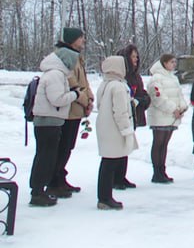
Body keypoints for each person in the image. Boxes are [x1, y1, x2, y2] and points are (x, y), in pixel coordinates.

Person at [29, 46, 83, 206]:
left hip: (49, 121)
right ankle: (38, 192)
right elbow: (57, 99)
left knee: (44, 157)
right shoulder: (56, 75)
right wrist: (75, 94)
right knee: (45, 158)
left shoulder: (54, 74)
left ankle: (39, 190)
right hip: (49, 122)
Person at [48, 27, 93, 197]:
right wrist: (83, 100)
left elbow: (84, 81)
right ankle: (54, 181)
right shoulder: (65, 56)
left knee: (68, 146)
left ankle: (61, 176)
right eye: (81, 38)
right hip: (68, 108)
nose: (83, 41)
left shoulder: (77, 57)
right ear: (72, 39)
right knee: (63, 146)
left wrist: (90, 98)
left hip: (77, 108)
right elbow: (71, 81)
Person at [95, 56, 138, 210]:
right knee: (110, 163)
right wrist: (127, 130)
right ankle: (105, 197)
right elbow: (120, 112)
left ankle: (104, 196)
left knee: (106, 162)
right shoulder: (118, 87)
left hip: (105, 127)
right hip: (114, 129)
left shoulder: (105, 84)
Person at [146, 54, 188, 183]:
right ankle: (156, 172)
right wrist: (172, 109)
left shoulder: (174, 78)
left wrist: (182, 107)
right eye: (171, 62)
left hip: (172, 116)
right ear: (164, 63)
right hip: (161, 115)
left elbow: (179, 94)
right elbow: (158, 97)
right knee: (158, 143)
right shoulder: (156, 78)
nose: (174, 64)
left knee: (164, 144)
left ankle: (162, 170)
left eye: (175, 62)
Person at [113, 44, 150, 190]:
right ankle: (115, 177)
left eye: (136, 56)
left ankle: (122, 176)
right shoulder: (121, 76)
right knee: (119, 146)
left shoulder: (136, 75)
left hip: (133, 114)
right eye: (132, 56)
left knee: (126, 146)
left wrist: (144, 99)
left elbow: (140, 92)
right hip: (123, 115)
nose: (136, 59)